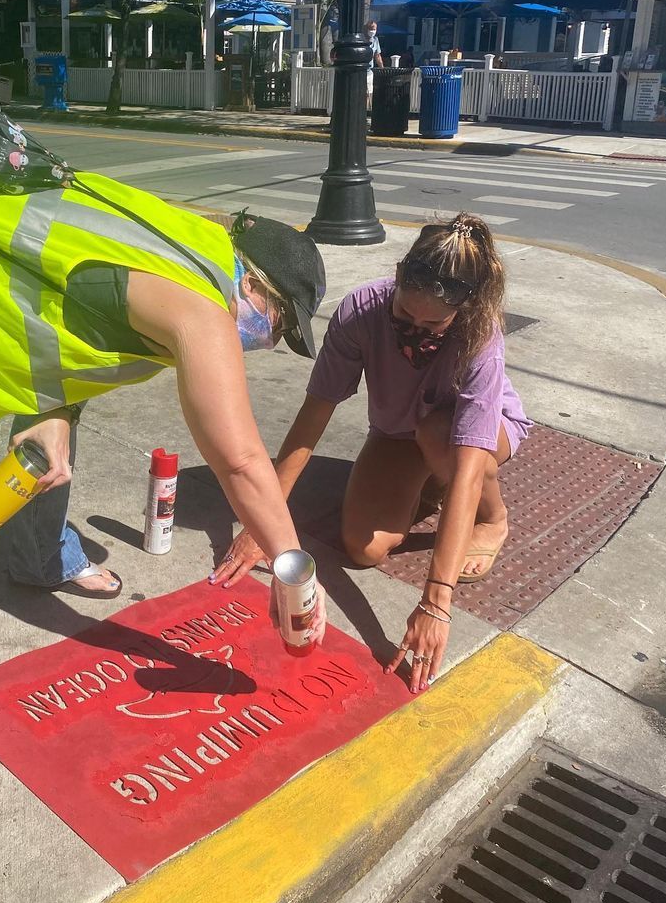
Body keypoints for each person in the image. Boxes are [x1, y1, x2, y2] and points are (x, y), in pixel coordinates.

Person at [0, 168, 330, 815]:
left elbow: (66, 304)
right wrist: (293, 574)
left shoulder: (180, 240)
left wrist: (51, 413)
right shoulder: (200, 303)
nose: (265, 339)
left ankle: (37, 557)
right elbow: (240, 460)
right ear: (254, 285)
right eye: (276, 322)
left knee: (43, 448)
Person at [214, 214, 531, 695]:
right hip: (398, 434)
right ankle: (426, 485)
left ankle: (493, 518)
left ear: (463, 310)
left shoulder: (481, 334)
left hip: (475, 438)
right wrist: (264, 522)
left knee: (439, 438)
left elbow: (468, 466)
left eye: (433, 324)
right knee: (363, 549)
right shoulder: (361, 309)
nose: (415, 331)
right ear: (399, 276)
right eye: (405, 317)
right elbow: (314, 415)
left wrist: (435, 603)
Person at [365, 19, 384, 109]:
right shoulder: (362, 40)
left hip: (370, 71)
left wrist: (382, 68)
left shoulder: (375, 40)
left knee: (369, 93)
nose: (373, 31)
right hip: (361, 71)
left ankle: (365, 113)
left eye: (374, 29)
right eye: (371, 29)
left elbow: (377, 55)